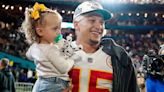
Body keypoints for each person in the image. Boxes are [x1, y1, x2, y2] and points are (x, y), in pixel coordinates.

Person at [69, 1, 140, 92]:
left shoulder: (119, 58)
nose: (99, 26)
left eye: (102, 22)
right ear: (76, 24)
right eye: (92, 20)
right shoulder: (59, 53)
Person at [21, 2, 75, 92]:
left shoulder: (34, 47)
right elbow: (64, 68)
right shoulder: (51, 50)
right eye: (55, 28)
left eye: (60, 28)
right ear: (40, 31)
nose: (59, 32)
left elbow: (28, 55)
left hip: (41, 83)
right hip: (54, 85)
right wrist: (72, 60)